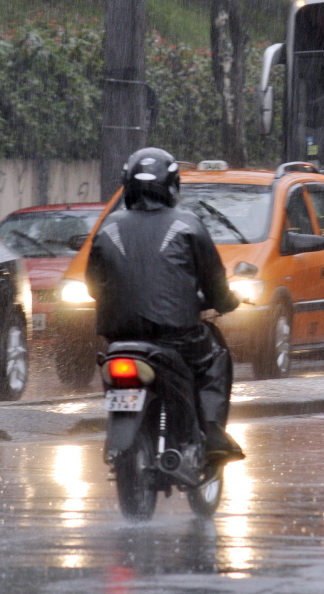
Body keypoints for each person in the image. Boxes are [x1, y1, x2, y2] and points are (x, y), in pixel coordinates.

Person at [87, 147, 245, 465]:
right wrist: (226, 302)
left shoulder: (108, 226)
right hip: (176, 337)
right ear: (172, 186)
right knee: (214, 356)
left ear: (128, 185)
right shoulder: (188, 224)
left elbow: (93, 283)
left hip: (118, 337)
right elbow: (215, 285)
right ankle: (212, 431)